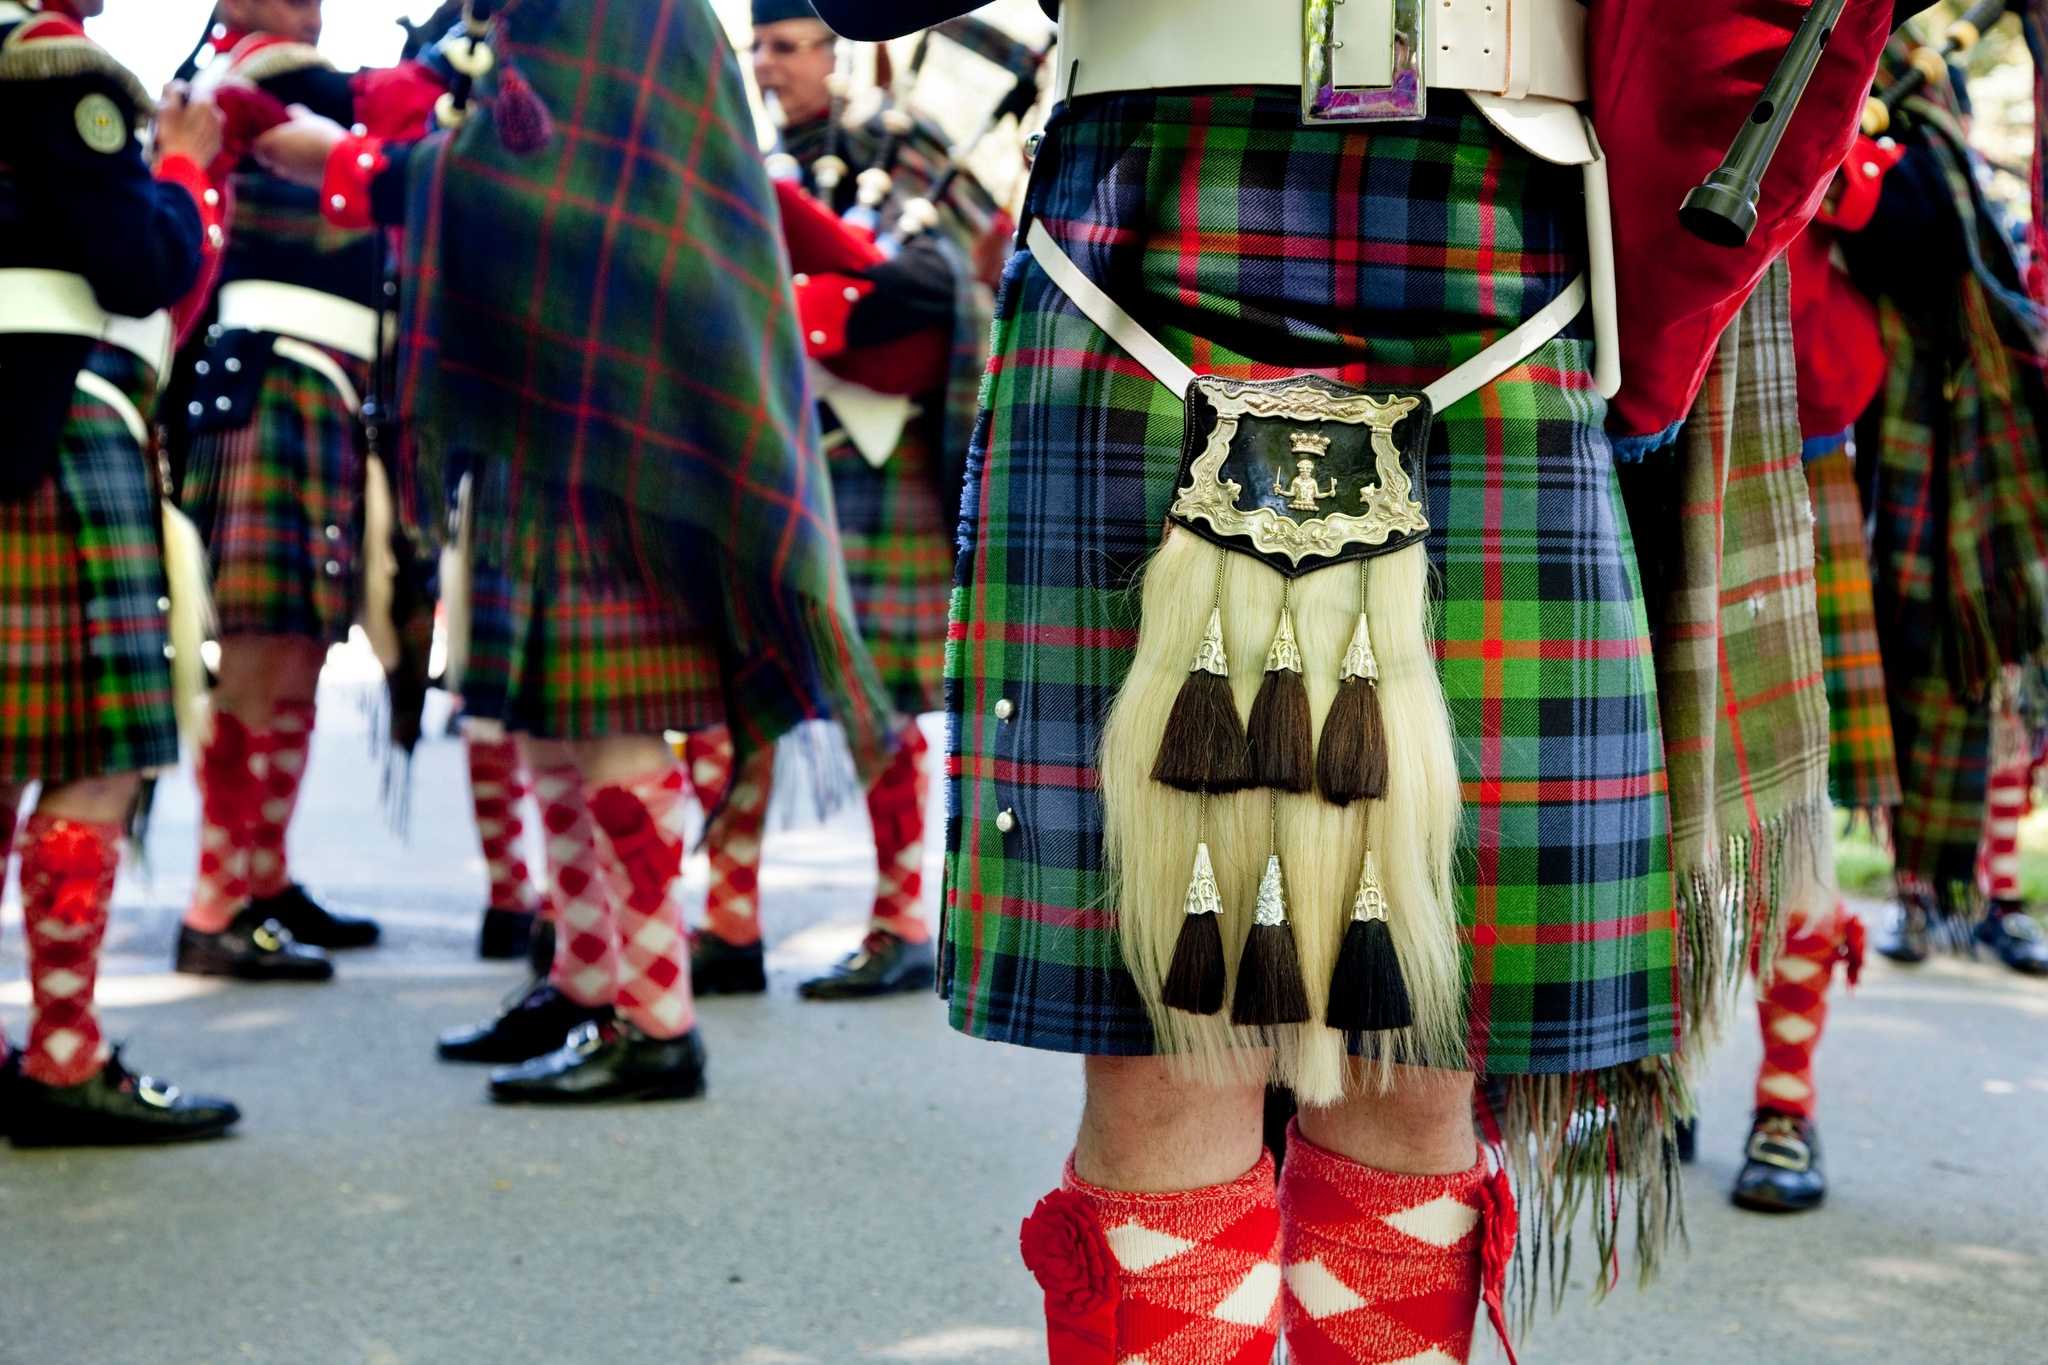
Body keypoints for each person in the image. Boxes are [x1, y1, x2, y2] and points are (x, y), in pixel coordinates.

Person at [813, 1, 1891, 1358]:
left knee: (1398, 1042)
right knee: (1204, 1035)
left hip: (1408, 215)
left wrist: (1666, 303)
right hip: (1267, 217)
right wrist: (1657, 330)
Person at [252, 0, 892, 1103]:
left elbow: (535, 178)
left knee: (610, 718)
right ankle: (588, 979)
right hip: (546, 396)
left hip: (616, 414)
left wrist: (353, 166)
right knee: (554, 720)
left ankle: (655, 1019)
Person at [685, 0, 1008, 1001]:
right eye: (760, 49)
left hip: (873, 452)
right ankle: (726, 921)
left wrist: (807, 314)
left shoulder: (900, 148)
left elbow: (938, 283)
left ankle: (900, 920)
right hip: (776, 452)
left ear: (836, 52)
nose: (767, 65)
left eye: (786, 46)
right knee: (739, 689)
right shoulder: (751, 157)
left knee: (879, 697)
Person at [0, 0, 242, 1144]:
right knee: (90, 765)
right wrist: (186, 171)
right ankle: (61, 1061)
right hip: (53, 429)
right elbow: (137, 266)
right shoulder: (51, 60)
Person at [164, 0, 444, 981]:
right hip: (272, 384)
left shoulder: (303, 80)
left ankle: (261, 880)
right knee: (255, 653)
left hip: (328, 392)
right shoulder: (247, 81)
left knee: (295, 657)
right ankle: (215, 901)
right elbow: (375, 129)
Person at [1845, 42, 2048, 980]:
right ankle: (1925, 898)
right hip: (1891, 435)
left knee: (1985, 680)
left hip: (1958, 448)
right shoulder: (1882, 136)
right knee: (1923, 668)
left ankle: (1991, 899)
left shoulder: (1941, 170)